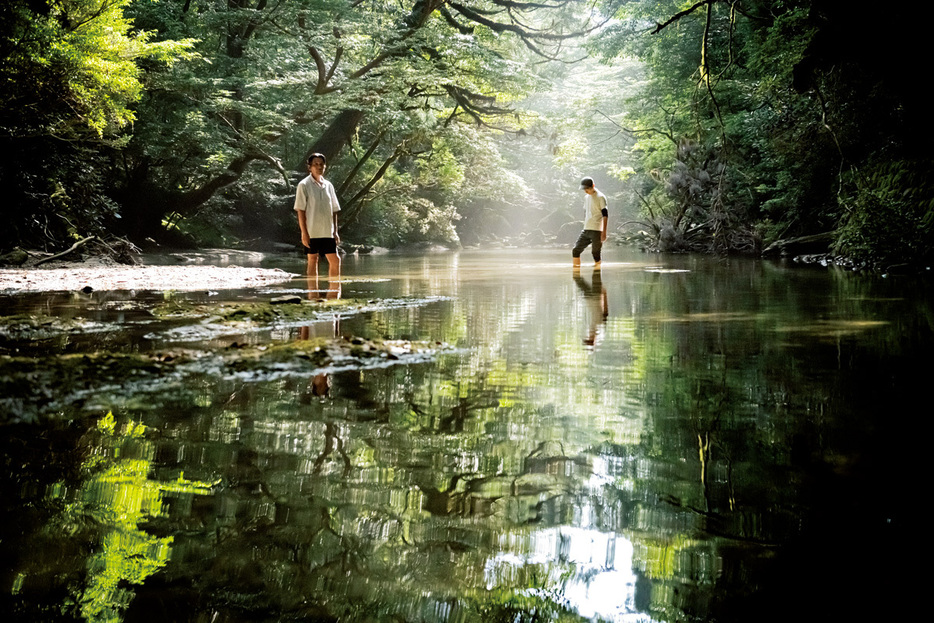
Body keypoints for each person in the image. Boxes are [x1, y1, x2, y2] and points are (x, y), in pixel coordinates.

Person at [295, 153, 341, 278]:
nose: (319, 167)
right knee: (313, 260)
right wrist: (304, 233)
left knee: (335, 261)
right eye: (315, 164)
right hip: (312, 231)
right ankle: (312, 293)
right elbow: (300, 210)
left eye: (321, 164)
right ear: (309, 167)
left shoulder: (329, 186)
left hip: (327, 231)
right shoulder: (304, 185)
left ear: (325, 167)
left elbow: (334, 210)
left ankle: (334, 292)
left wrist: (335, 231)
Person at [572, 177, 608, 269]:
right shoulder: (586, 197)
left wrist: (604, 232)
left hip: (596, 229)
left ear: (593, 186)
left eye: (587, 189)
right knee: (576, 250)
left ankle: (598, 275)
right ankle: (576, 274)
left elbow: (605, 215)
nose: (585, 191)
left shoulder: (601, 197)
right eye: (584, 189)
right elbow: (586, 212)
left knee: (595, 253)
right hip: (586, 228)